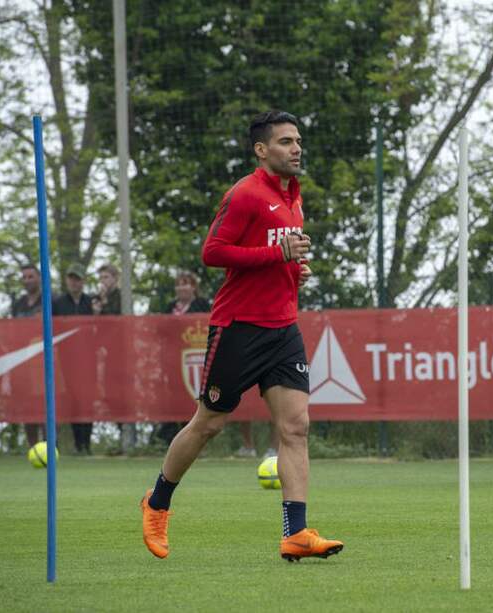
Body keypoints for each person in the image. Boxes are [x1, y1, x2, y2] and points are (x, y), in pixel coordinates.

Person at [140, 110, 342, 562]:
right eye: (286, 142)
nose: (296, 149)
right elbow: (213, 252)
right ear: (261, 150)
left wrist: (294, 270)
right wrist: (277, 254)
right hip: (239, 328)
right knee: (209, 424)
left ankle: (296, 533)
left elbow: (277, 257)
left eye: (298, 141)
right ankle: (157, 502)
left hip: (283, 329)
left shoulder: (294, 198)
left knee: (296, 427)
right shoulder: (245, 193)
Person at [150, 271, 212, 447]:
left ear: (193, 287)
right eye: (178, 284)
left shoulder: (202, 304)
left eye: (185, 283)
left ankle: (196, 438)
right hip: (173, 360)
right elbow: (161, 331)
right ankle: (172, 439)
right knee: (174, 397)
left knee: (196, 398)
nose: (181, 287)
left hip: (198, 358)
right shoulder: (170, 306)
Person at [52, 263, 94, 454]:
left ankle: (86, 444)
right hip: (66, 359)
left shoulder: (90, 302)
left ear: (83, 281)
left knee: (88, 399)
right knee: (72, 399)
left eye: (77, 279)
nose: (74, 282)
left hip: (89, 359)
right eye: (71, 278)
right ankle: (78, 444)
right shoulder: (58, 303)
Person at [10, 263, 44, 446]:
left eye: (31, 276)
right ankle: (33, 448)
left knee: (46, 405)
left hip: (44, 360)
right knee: (27, 407)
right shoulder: (18, 304)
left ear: (39, 278)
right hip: (23, 361)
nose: (27, 280)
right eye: (24, 277)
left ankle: (50, 447)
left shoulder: (50, 300)